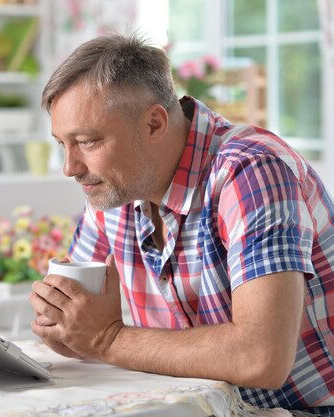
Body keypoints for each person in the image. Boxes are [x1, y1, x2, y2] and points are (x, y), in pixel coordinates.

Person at [28, 33, 334, 415]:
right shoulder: (116, 188)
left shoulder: (250, 171)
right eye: (63, 144)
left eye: (88, 142)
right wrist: (64, 322)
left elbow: (261, 357)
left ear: (154, 123)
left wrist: (107, 338)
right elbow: (75, 328)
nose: (70, 168)